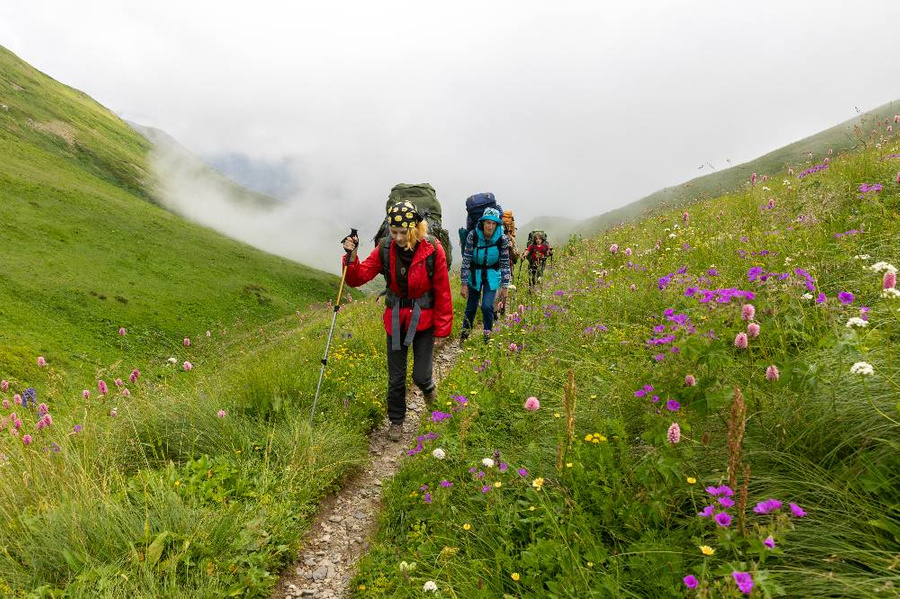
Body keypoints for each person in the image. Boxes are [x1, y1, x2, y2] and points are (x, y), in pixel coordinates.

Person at [341, 200, 452, 442]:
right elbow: (357, 278)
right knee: (396, 376)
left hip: (424, 319)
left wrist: (443, 327)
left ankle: (430, 393)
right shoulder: (384, 248)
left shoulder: (433, 249)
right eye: (394, 232)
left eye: (404, 232)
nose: (399, 238)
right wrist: (351, 257)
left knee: (421, 376)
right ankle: (396, 421)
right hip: (395, 319)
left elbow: (442, 289)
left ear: (415, 228)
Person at [460, 207, 511, 343]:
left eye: (494, 223)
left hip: (492, 275)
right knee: (471, 308)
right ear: (482, 223)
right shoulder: (473, 235)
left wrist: (505, 286)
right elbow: (467, 259)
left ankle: (487, 338)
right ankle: (464, 336)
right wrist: (463, 283)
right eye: (488, 222)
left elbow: (505, 263)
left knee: (487, 306)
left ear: (497, 225)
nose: (490, 226)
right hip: (474, 274)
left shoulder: (502, 239)